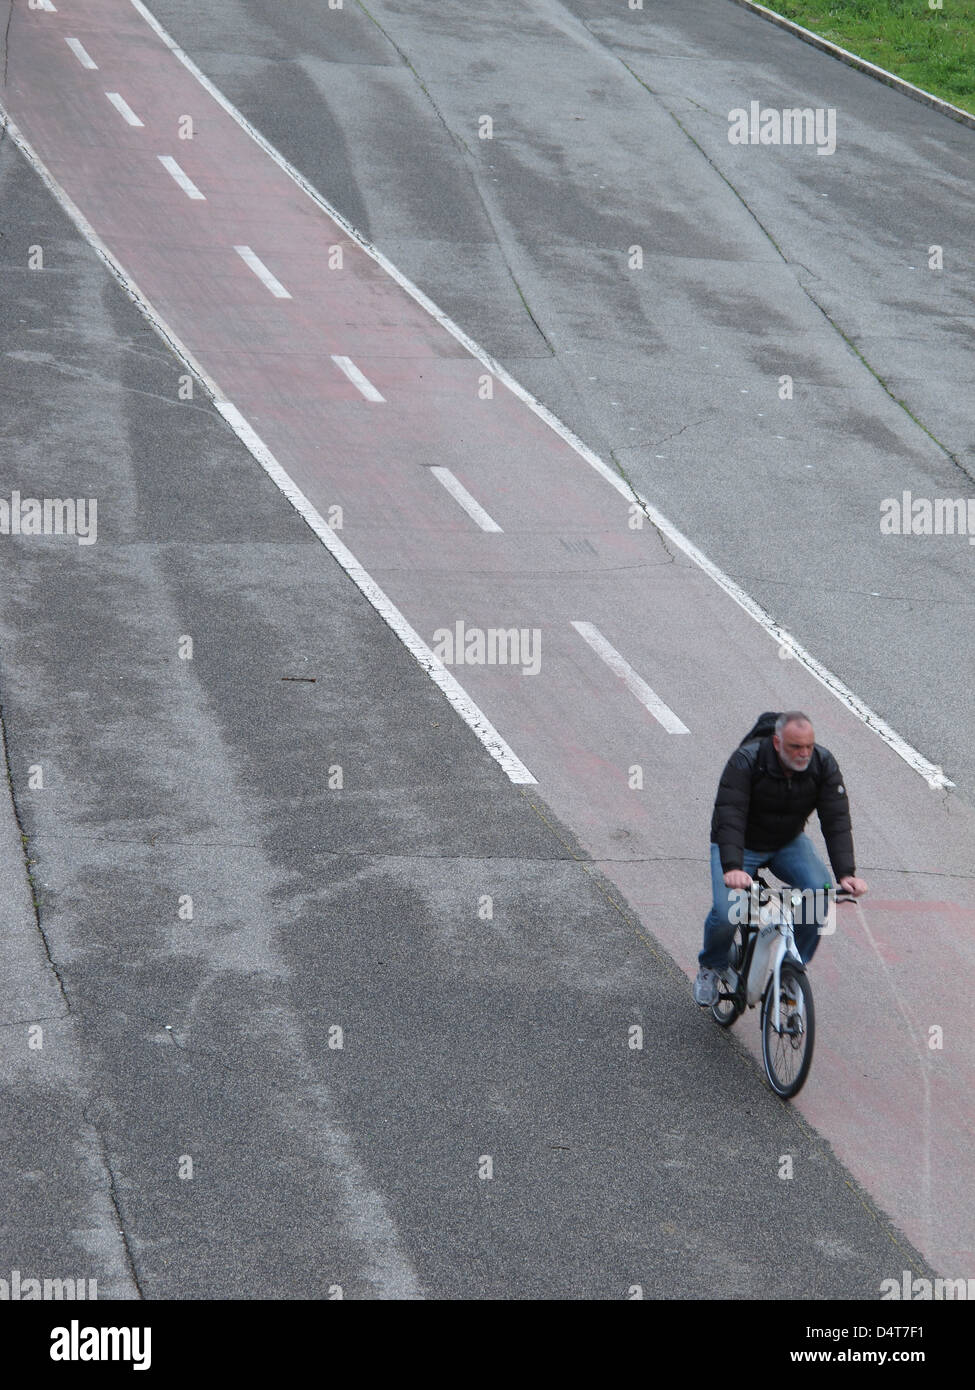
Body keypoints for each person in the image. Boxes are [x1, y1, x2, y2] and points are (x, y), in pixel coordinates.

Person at [693, 711, 868, 1006]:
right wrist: (733, 867)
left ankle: (792, 968)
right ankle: (712, 965)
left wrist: (846, 873)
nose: (804, 754)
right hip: (741, 844)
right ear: (776, 742)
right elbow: (730, 816)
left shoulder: (823, 765)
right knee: (727, 912)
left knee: (818, 892)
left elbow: (836, 818)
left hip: (786, 842)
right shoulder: (746, 761)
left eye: (808, 746)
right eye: (795, 747)